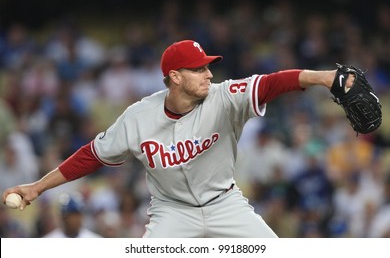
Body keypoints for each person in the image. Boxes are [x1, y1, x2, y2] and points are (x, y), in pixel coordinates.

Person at [2, 39, 355, 238]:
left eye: (207, 66)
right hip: (172, 214)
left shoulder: (223, 96)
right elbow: (90, 156)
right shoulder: (139, 116)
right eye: (198, 68)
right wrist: (37, 187)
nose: (208, 73)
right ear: (174, 76)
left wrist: (325, 77)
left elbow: (273, 82)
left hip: (224, 205)